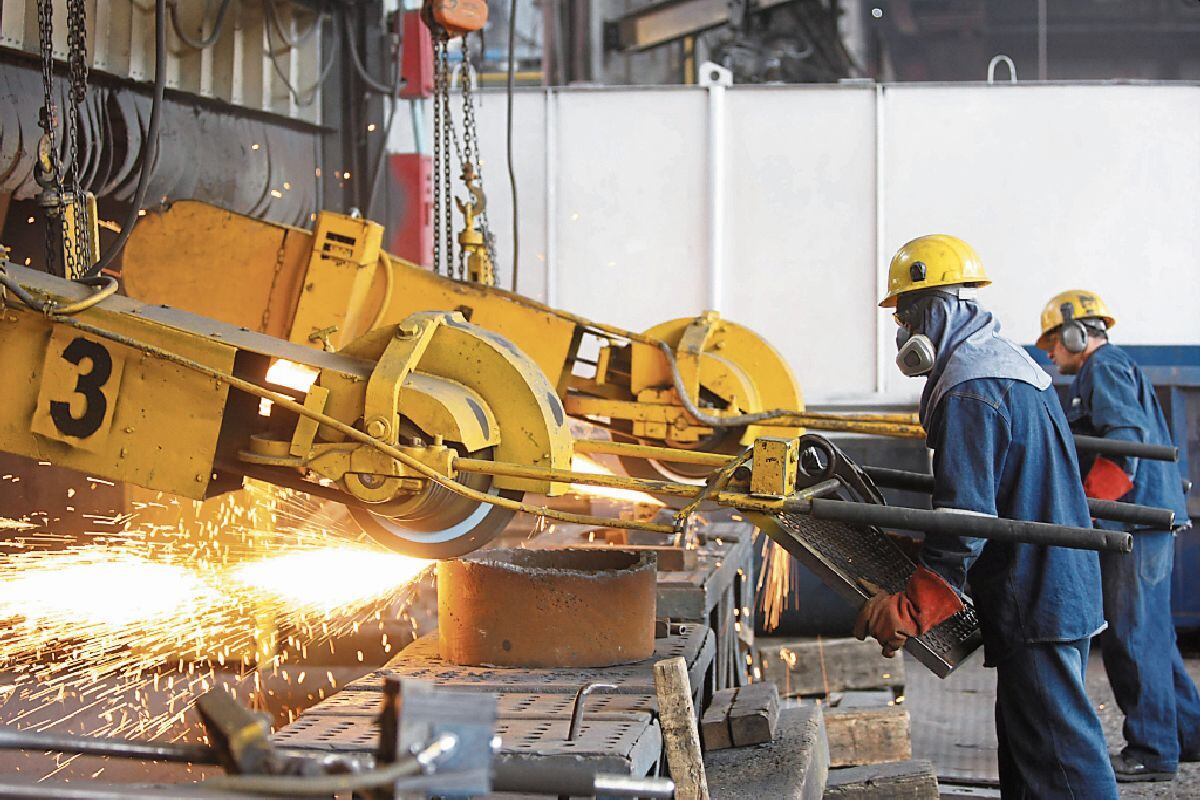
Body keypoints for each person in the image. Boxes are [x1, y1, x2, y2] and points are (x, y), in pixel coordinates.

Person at [854, 234, 1118, 798]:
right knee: (1031, 755)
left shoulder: (972, 389)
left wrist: (914, 606)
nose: (902, 332)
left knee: (1062, 762)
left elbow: (966, 516)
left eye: (905, 314)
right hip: (1051, 584)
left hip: (1037, 594)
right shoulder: (1011, 366)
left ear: (939, 308)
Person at [1037, 289, 1198, 782]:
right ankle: (1187, 735)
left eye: (1052, 342)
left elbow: (1124, 440)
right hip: (1147, 520)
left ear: (1074, 334)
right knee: (1155, 636)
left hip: (1131, 522)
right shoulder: (1113, 367)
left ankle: (1151, 751)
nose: (1049, 353)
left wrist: (1086, 509)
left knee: (1132, 638)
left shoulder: (1102, 368)